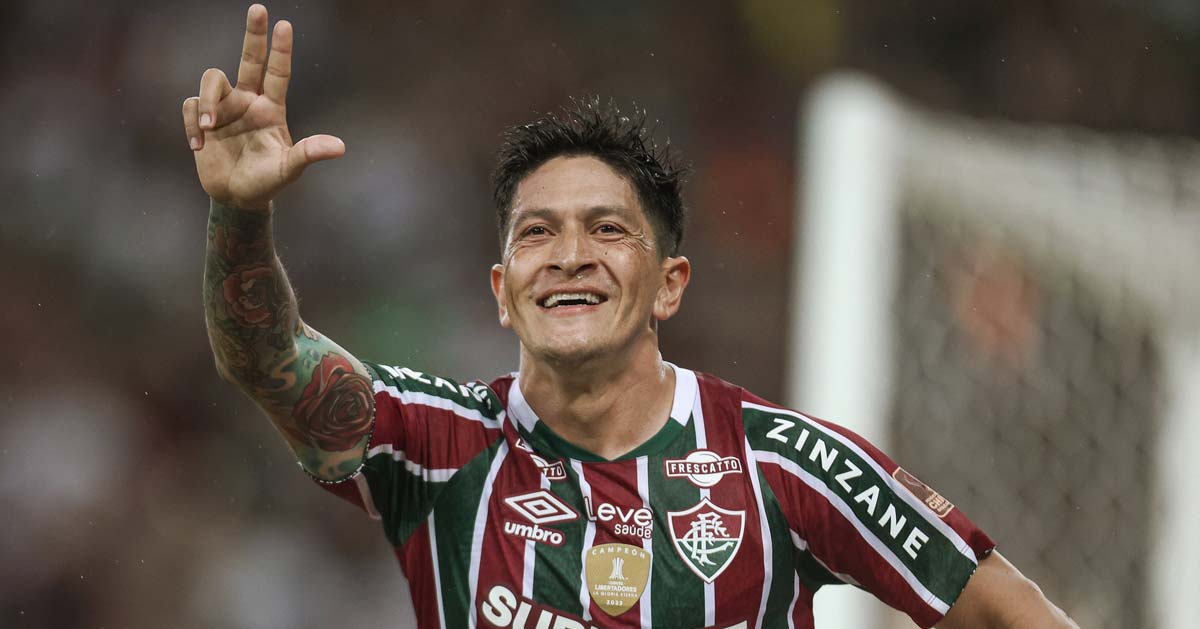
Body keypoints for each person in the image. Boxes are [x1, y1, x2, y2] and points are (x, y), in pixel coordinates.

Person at [183, 5, 1078, 628]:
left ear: (669, 285)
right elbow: (267, 359)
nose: (569, 254)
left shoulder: (785, 465)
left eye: (607, 229)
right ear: (501, 291)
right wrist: (240, 211)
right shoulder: (438, 444)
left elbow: (1008, 612)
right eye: (537, 233)